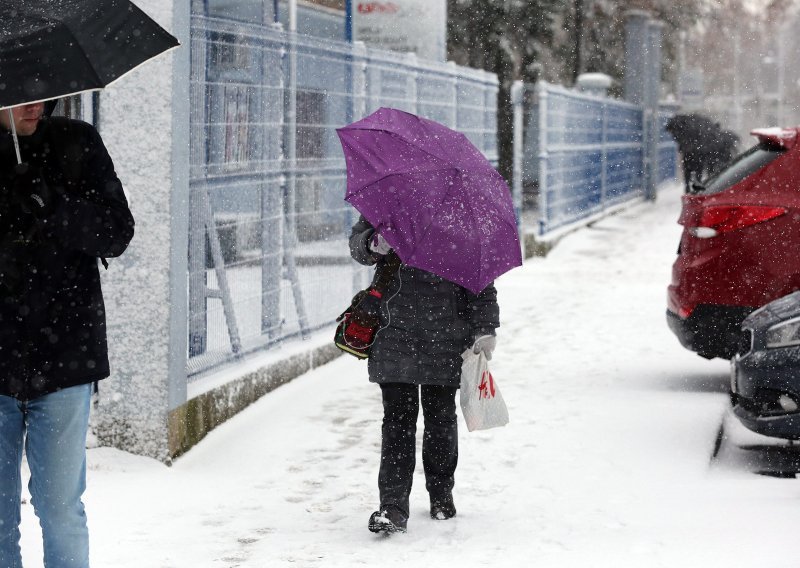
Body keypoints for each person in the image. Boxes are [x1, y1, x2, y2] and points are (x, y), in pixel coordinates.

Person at [0, 100, 134, 567]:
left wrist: (52, 203)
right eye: (18, 94)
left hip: (64, 358)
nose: (34, 103)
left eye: (41, 90)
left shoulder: (77, 143)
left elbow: (117, 232)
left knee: (59, 508)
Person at [349, 215, 499, 534]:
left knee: (440, 418)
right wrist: (374, 243)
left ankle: (441, 495)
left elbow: (481, 279)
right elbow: (358, 248)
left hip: (445, 334)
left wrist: (485, 328)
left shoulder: (462, 214)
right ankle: (392, 506)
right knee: (398, 421)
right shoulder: (388, 203)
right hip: (393, 331)